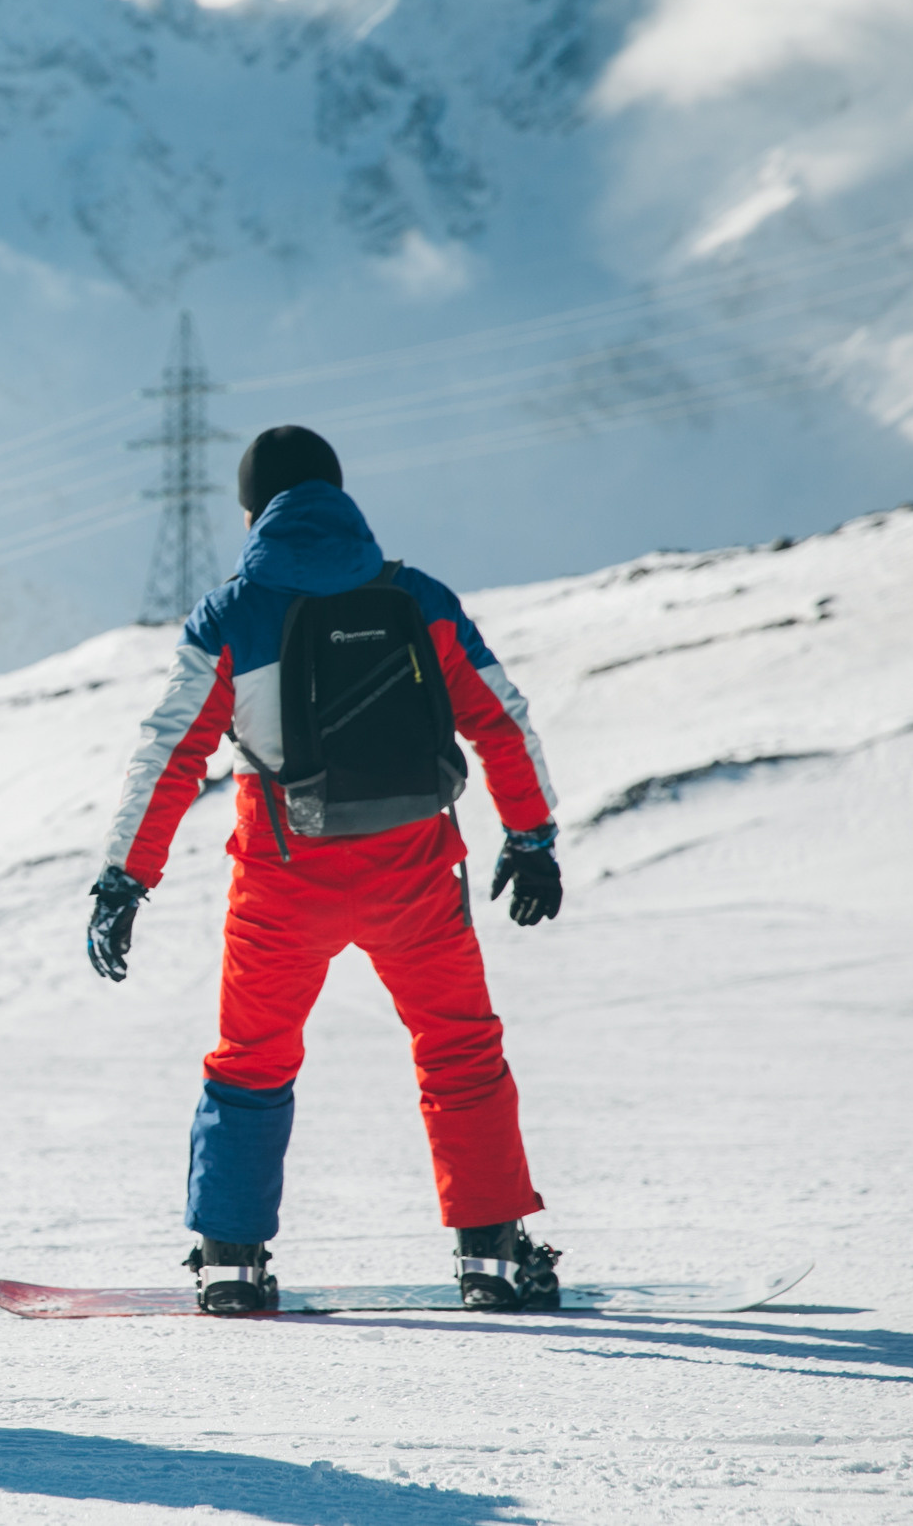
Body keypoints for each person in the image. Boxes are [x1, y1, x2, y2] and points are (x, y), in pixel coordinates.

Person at [86, 426, 565, 1315]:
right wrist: (531, 837)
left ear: (252, 510)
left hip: (281, 881)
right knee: (459, 1049)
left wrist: (125, 877)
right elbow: (500, 717)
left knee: (250, 1063)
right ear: (340, 497)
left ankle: (232, 1261)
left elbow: (173, 751)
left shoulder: (231, 613)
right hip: (415, 874)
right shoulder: (416, 596)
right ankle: (491, 1258)